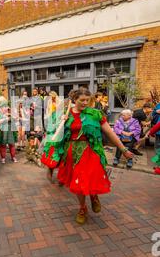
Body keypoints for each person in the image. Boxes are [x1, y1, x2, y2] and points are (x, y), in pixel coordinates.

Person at [54, 88, 133, 224]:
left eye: (87, 100)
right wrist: (61, 122)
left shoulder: (95, 114)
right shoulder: (67, 114)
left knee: (88, 177)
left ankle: (94, 196)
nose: (85, 103)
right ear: (74, 100)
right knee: (78, 181)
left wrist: (123, 149)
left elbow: (110, 133)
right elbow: (58, 134)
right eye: (82, 100)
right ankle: (82, 208)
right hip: (72, 151)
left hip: (90, 151)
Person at [41, 91, 63, 183]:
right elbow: (47, 117)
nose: (51, 98)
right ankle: (50, 171)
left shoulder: (60, 103)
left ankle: (61, 176)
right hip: (52, 131)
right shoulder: (50, 104)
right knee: (52, 152)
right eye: (50, 97)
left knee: (60, 154)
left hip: (60, 129)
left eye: (52, 97)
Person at [0, 98, 18, 164]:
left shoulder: (10, 112)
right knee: (3, 144)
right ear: (1, 107)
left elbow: (16, 118)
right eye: (4, 106)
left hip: (10, 129)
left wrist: (12, 117)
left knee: (12, 143)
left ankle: (13, 156)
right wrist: (5, 120)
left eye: (6, 106)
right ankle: (3, 158)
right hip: (3, 130)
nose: (6, 108)